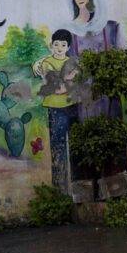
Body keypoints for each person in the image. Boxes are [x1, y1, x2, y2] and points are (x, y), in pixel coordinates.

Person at [35, 29, 84, 191]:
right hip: (56, 109)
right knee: (58, 147)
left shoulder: (73, 61)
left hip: (73, 106)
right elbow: (57, 88)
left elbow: (76, 83)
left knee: (77, 146)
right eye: (56, 44)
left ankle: (79, 186)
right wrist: (69, 79)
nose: (59, 47)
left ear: (68, 46)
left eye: (63, 45)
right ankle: (60, 189)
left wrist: (68, 81)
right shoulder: (47, 63)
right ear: (51, 45)